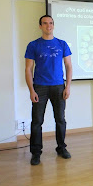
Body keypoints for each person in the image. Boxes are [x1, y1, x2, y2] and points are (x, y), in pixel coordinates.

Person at [25, 15, 73, 165]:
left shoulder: (62, 44)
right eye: (45, 23)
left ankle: (61, 148)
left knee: (60, 119)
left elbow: (69, 66)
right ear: (40, 26)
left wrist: (68, 86)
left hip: (58, 86)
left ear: (53, 25)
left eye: (51, 23)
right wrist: (31, 90)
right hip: (40, 87)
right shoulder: (33, 45)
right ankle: (36, 152)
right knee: (37, 121)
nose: (48, 26)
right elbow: (28, 69)